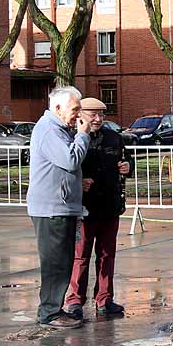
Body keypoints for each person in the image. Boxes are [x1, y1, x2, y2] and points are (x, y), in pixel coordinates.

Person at [63, 97, 133, 320]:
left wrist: (127, 167)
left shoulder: (114, 138)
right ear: (80, 114)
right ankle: (75, 300)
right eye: (93, 114)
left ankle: (104, 298)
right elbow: (65, 167)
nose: (98, 119)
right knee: (80, 256)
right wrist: (79, 182)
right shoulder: (71, 137)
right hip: (83, 207)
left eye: (101, 115)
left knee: (106, 255)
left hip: (110, 205)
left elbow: (126, 160)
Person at [27, 86, 92, 328]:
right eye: (75, 109)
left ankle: (54, 308)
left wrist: (77, 183)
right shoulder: (49, 130)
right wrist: (83, 134)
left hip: (60, 206)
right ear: (58, 108)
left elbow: (63, 166)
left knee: (62, 261)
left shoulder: (58, 129)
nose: (79, 115)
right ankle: (49, 313)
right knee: (55, 263)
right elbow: (70, 160)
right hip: (51, 208)